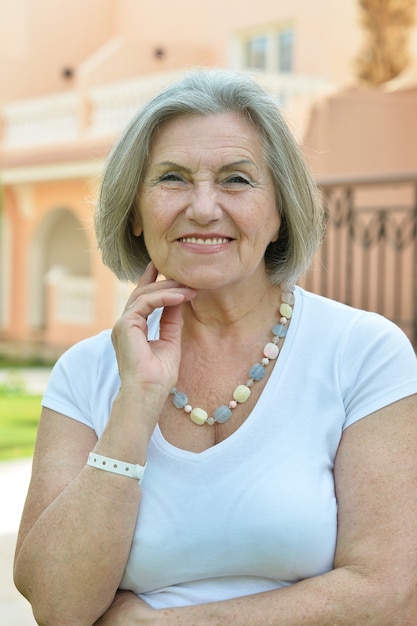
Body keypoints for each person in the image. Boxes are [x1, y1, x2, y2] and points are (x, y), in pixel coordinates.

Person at [14, 69, 417, 625]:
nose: (203, 208)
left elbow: (391, 593)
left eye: (236, 180)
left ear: (281, 213)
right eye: (173, 178)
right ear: (134, 212)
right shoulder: (84, 373)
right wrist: (136, 403)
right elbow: (57, 605)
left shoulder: (365, 352)